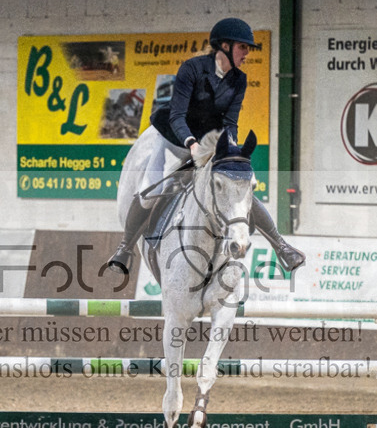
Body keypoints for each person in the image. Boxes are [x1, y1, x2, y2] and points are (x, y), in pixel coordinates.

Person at [107, 17, 305, 276]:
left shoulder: (239, 80)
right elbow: (177, 115)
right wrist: (191, 144)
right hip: (174, 139)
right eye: (242, 47)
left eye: (248, 48)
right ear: (224, 46)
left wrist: (229, 148)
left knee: (239, 188)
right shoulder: (191, 69)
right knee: (149, 192)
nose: (247, 53)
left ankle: (281, 247)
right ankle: (125, 248)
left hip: (211, 144)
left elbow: (230, 122)